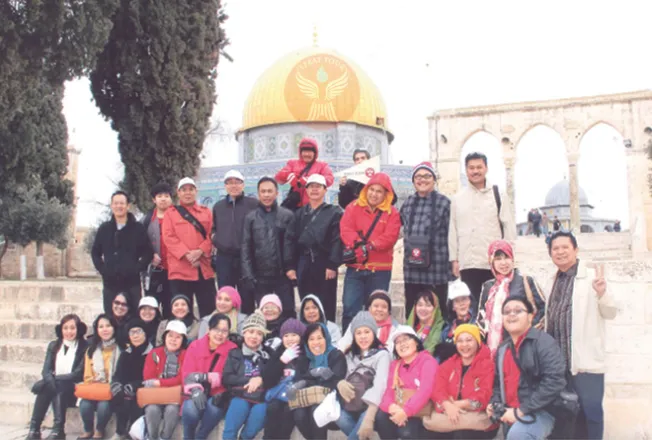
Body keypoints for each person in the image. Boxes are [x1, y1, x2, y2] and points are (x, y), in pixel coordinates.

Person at [544, 231, 618, 439]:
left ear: (575, 249)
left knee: (591, 414)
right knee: (566, 416)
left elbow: (610, 312)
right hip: (559, 364)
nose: (560, 252)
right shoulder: (551, 280)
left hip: (586, 362)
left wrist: (602, 294)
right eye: (555, 249)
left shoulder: (593, 277)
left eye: (565, 247)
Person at [487, 297, 566, 440]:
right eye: (507, 311)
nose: (511, 314)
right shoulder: (503, 348)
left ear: (530, 317)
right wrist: (494, 402)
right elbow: (498, 384)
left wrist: (521, 411)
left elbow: (555, 381)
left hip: (540, 411)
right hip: (509, 412)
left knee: (518, 435)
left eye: (518, 310)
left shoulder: (543, 342)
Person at [449, 152, 516, 302]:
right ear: (466, 170)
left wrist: (509, 257)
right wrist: (454, 260)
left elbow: (508, 226)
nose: (475, 171)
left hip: (493, 263)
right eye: (471, 168)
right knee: (472, 307)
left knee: (495, 304)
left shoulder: (498, 195)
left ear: (486, 168)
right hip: (468, 262)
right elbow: (452, 231)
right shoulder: (457, 199)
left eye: (479, 167)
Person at [340, 172, 401, 332]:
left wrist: (370, 246)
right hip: (356, 268)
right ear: (366, 189)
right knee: (349, 309)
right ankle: (348, 344)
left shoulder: (392, 213)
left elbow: (390, 237)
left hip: (380, 271)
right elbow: (345, 229)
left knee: (377, 312)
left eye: (379, 191)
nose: (374, 194)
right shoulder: (353, 207)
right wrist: (357, 244)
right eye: (371, 189)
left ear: (386, 194)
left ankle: (375, 343)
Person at [284, 174, 343, 321]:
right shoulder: (299, 214)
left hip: (324, 263)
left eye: (318, 186)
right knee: (307, 302)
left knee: (326, 302)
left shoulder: (334, 212)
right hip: (303, 262)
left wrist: (332, 264)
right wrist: (290, 266)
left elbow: (337, 239)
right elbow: (289, 240)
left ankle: (328, 333)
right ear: (306, 190)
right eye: (311, 186)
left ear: (325, 190)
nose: (314, 190)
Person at [425, 324, 496, 440]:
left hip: (476, 417)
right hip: (448, 414)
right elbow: (437, 388)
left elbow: (485, 394)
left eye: (469, 340)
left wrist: (459, 404)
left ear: (478, 342)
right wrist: (447, 404)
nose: (464, 345)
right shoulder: (449, 364)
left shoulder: (487, 365)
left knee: (461, 436)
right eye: (460, 341)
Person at [400, 161, 451, 320]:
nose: (422, 180)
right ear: (414, 180)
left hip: (437, 269)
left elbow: (452, 235)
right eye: (418, 176)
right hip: (412, 270)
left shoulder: (445, 203)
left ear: (434, 179)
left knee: (438, 311)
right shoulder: (407, 203)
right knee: (413, 310)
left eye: (427, 176)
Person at [477, 240, 546, 357]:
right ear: (491, 261)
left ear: (513, 259)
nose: (503, 263)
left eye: (507, 257)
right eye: (498, 259)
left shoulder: (525, 281)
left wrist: (526, 331)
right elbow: (481, 317)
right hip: (494, 349)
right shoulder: (488, 286)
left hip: (523, 346)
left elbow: (543, 310)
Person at [27, 314, 88, 440]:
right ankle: (34, 429)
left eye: (72, 328)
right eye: (65, 328)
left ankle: (58, 430)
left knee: (51, 385)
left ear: (78, 329)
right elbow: (46, 370)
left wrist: (49, 380)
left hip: (74, 386)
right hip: (56, 384)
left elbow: (78, 374)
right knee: (48, 387)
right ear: (61, 329)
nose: (69, 332)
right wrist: (49, 380)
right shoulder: (54, 345)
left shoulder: (84, 346)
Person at [162, 177, 216, 318]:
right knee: (182, 313)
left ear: (196, 191)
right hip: (180, 270)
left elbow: (213, 234)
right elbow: (168, 237)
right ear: (178, 193)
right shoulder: (170, 213)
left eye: (191, 189)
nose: (188, 193)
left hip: (203, 268)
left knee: (208, 311)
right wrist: (187, 254)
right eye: (184, 190)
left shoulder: (206, 212)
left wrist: (200, 251)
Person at [241, 177, 295, 315]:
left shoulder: (287, 215)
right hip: (260, 277)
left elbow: (293, 246)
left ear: (276, 193)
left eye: (269, 191)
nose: (266, 195)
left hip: (283, 276)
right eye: (263, 191)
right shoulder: (250, 218)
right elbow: (246, 247)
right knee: (264, 314)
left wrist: (292, 269)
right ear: (258, 194)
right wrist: (248, 275)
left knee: (287, 312)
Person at [92, 190, 152, 313]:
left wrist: (136, 268)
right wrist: (103, 270)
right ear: (111, 205)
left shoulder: (138, 228)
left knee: (134, 316)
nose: (119, 206)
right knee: (111, 317)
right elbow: (95, 252)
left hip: (132, 283)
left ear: (128, 206)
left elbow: (148, 253)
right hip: (110, 283)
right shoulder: (104, 229)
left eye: (122, 203)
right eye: (116, 203)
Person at [335, 311, 391, 440]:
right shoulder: (349, 355)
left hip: (371, 406)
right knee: (337, 416)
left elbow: (380, 387)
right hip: (351, 404)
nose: (363, 337)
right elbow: (338, 375)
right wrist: (340, 383)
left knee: (363, 421)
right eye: (358, 333)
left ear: (373, 333)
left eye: (367, 332)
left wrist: (369, 417)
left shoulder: (382, 355)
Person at [181, 313, 237, 440]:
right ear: (209, 330)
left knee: (214, 409)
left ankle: (200, 437)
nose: (220, 334)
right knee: (190, 410)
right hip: (196, 388)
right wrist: (195, 389)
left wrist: (217, 379)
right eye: (216, 329)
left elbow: (232, 375)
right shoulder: (195, 346)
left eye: (224, 331)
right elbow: (187, 372)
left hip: (219, 392)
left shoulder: (232, 349)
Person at [376, 325, 438, 439]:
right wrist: (391, 407)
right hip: (399, 407)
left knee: (407, 432)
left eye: (406, 339)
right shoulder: (395, 364)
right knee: (381, 418)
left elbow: (425, 390)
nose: (402, 344)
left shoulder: (428, 361)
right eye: (398, 342)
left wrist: (405, 412)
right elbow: (388, 391)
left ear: (416, 342)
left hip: (419, 411)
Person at [211, 169, 258, 313]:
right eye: (230, 183)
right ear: (225, 186)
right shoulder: (218, 207)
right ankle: (227, 328)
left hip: (246, 258)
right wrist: (217, 240)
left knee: (247, 295)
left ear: (243, 185)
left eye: (237, 182)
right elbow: (214, 229)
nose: (234, 186)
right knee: (225, 295)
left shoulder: (253, 204)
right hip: (224, 258)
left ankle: (247, 331)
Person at [290, 323, 347, 440]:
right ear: (306, 342)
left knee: (316, 411)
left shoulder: (336, 355)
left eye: (320, 338)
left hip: (331, 400)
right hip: (307, 399)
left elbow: (337, 381)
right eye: (311, 339)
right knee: (298, 414)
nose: (316, 343)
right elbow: (298, 379)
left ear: (326, 338)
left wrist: (310, 379)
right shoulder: (304, 358)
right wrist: (311, 374)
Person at [222, 311, 271, 440]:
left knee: (260, 415)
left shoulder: (268, 355)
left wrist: (261, 380)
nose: (254, 336)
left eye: (259, 333)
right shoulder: (235, 353)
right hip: (239, 395)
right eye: (251, 332)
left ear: (263, 337)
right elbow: (226, 378)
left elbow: (274, 377)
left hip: (260, 397)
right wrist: (250, 380)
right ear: (244, 333)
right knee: (235, 416)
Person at [142, 320, 188, 440]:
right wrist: (166, 384)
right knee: (152, 409)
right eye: (170, 336)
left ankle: (165, 437)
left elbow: (182, 378)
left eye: (178, 337)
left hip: (176, 396)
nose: (173, 339)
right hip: (155, 395)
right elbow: (148, 378)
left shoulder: (186, 355)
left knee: (172, 410)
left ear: (183, 340)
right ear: (164, 337)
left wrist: (160, 383)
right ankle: (152, 437)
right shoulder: (154, 353)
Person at [78, 314, 121, 440]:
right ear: (97, 330)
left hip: (112, 388)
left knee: (104, 404)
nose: (105, 329)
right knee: (85, 404)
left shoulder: (122, 348)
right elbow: (87, 376)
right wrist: (94, 381)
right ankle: (88, 429)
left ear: (114, 328)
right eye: (101, 326)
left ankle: (99, 431)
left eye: (108, 325)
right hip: (95, 387)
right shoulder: (91, 350)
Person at [262, 319, 307, 440]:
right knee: (273, 408)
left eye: (294, 335)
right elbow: (267, 380)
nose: (290, 338)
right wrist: (282, 361)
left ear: (301, 336)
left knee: (288, 410)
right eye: (286, 335)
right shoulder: (278, 353)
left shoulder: (306, 354)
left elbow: (305, 377)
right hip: (278, 395)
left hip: (296, 396)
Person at [111, 319, 153, 439]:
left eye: (138, 331)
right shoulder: (125, 354)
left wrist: (136, 385)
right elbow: (118, 374)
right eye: (132, 332)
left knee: (135, 398)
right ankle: (120, 432)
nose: (135, 335)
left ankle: (133, 433)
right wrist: (117, 384)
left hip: (145, 388)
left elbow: (151, 377)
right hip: (126, 389)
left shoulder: (152, 353)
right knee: (120, 395)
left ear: (145, 333)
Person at [142, 182, 174, 319]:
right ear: (154, 199)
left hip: (174, 271)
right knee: (152, 306)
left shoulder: (178, 217)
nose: (163, 199)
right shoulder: (147, 220)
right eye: (159, 196)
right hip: (154, 270)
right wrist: (149, 255)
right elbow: (139, 242)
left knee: (171, 306)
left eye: (166, 196)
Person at [275, 137, 335, 210]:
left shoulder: (322, 166)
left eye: (310, 151)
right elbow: (278, 177)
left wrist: (310, 180)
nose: (306, 154)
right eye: (304, 151)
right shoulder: (292, 163)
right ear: (300, 152)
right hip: (294, 205)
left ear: (315, 153)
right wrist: (289, 175)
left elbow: (329, 179)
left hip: (313, 206)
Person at [436, 279, 477, 364]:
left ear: (470, 301)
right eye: (457, 301)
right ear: (453, 306)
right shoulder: (447, 330)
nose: (461, 304)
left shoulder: (477, 324)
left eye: (464, 299)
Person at [406, 289, 445, 356]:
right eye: (420, 305)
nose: (423, 309)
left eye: (428, 305)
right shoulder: (407, 327)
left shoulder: (441, 328)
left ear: (435, 308)